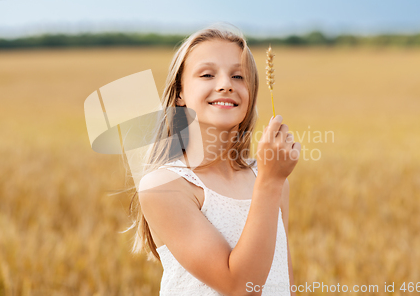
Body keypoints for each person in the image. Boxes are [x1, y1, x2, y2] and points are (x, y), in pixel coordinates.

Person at [126, 23, 301, 295]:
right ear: (180, 93)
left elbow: (283, 283)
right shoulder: (164, 186)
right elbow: (240, 287)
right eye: (207, 74)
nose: (225, 85)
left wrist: (271, 180)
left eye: (239, 77)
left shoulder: (269, 179)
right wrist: (270, 181)